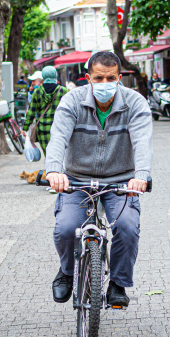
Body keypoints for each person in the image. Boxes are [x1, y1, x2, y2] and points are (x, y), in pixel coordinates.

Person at [45, 51, 152, 308]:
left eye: (111, 78)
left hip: (121, 181)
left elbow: (142, 141)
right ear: (88, 78)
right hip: (77, 180)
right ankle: (67, 272)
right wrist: (53, 171)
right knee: (66, 228)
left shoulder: (135, 103)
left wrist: (141, 176)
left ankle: (117, 283)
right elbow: (58, 137)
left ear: (119, 77)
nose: (105, 83)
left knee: (127, 227)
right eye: (99, 78)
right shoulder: (72, 101)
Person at [24, 66, 68, 160]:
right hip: (59, 129)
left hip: (43, 130)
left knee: (48, 156)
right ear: (55, 75)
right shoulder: (63, 91)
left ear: (43, 76)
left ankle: (50, 168)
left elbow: (31, 112)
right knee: (59, 156)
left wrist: (25, 128)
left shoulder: (37, 92)